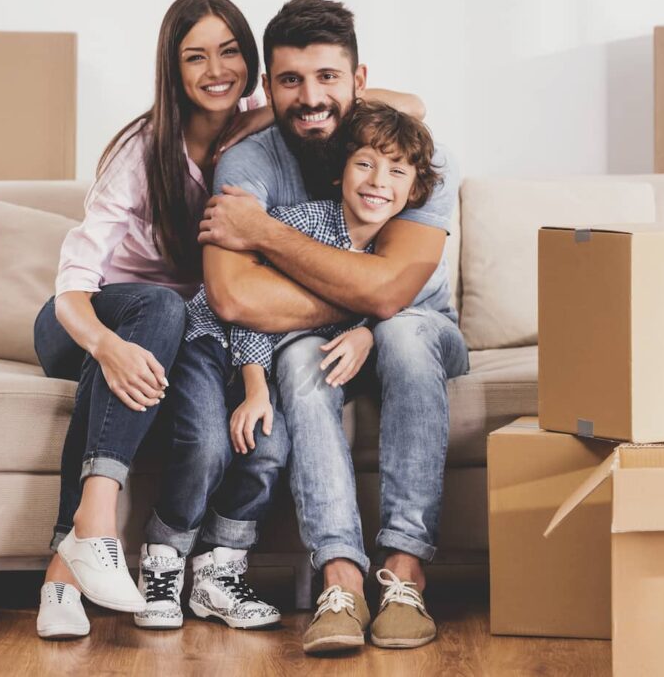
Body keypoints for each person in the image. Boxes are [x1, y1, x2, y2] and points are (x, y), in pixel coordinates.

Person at [32, 0, 421, 640]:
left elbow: (411, 108)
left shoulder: (262, 116)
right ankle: (91, 530)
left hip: (179, 330)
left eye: (229, 52)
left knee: (156, 342)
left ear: (251, 64)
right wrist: (104, 344)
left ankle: (61, 573)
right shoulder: (141, 152)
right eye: (195, 57)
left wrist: (273, 112)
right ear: (173, 69)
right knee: (151, 314)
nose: (215, 70)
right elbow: (72, 284)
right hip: (84, 317)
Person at [198, 0, 470, 654]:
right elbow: (233, 297)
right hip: (312, 342)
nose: (310, 97)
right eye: (290, 80)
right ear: (268, 86)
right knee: (298, 361)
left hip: (418, 325)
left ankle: (404, 571)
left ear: (359, 81)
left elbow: (394, 291)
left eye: (327, 78)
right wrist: (362, 295)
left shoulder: (413, 153)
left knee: (402, 333)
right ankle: (339, 576)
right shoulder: (247, 165)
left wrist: (264, 233)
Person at [135, 100, 438, 631]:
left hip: (266, 358)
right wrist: (255, 388)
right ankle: (162, 562)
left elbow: (385, 301)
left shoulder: (382, 258)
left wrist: (367, 331)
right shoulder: (303, 225)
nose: (376, 182)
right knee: (208, 443)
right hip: (214, 340)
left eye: (395, 172)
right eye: (364, 164)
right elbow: (252, 307)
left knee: (270, 448)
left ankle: (217, 572)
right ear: (342, 169)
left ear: (413, 190)